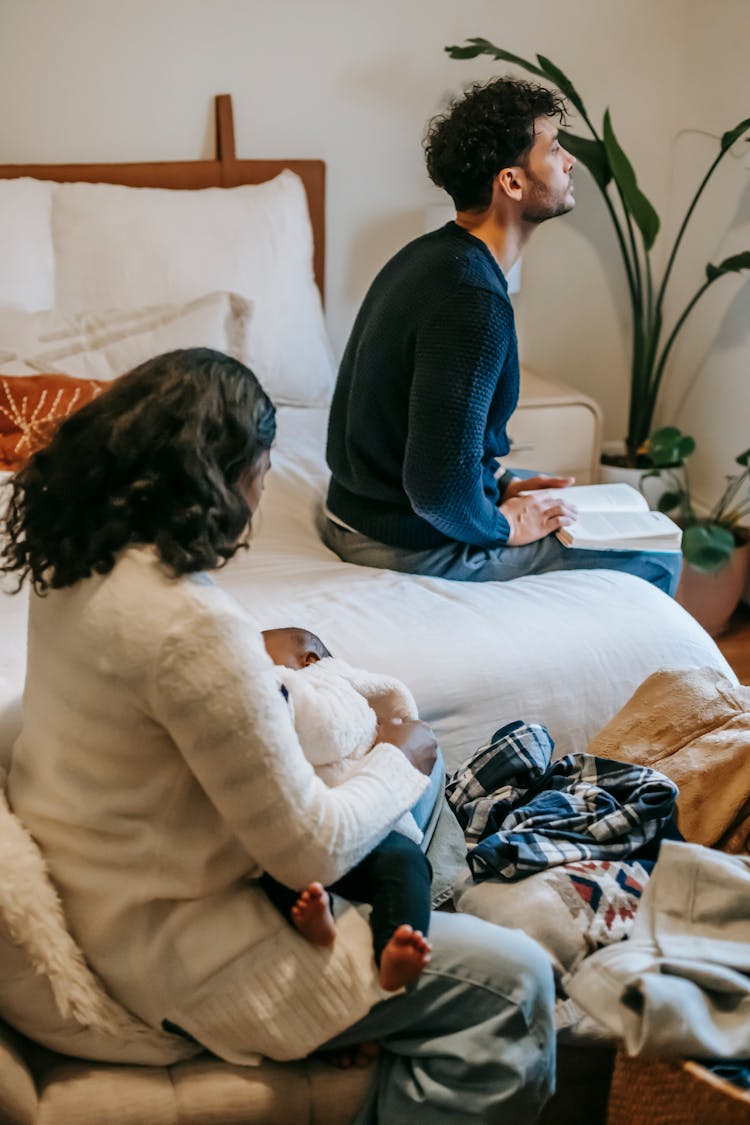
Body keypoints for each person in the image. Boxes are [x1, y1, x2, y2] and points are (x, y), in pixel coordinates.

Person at [2, 347, 556, 1122]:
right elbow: (310, 849)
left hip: (110, 884)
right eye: (261, 472)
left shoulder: (79, 561)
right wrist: (405, 748)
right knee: (517, 984)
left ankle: (406, 934)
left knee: (408, 795)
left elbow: (154, 683)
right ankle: (414, 960)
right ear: (226, 476)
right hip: (177, 954)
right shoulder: (187, 623)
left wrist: (254, 661)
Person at [322, 77, 681, 597]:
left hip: (357, 507)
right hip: (401, 536)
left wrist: (503, 483)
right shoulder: (471, 299)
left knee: (568, 499)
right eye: (553, 150)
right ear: (511, 183)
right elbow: (439, 490)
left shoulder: (427, 257)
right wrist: (505, 525)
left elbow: (422, 436)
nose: (568, 162)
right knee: (654, 552)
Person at [260, 626, 433, 992]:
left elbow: (328, 732)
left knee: (408, 864)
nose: (254, 673)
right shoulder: (288, 694)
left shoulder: (330, 688)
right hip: (307, 828)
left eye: (263, 661)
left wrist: (281, 697)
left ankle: (395, 948)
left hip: (373, 834)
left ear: (310, 663)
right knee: (271, 867)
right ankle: (319, 922)